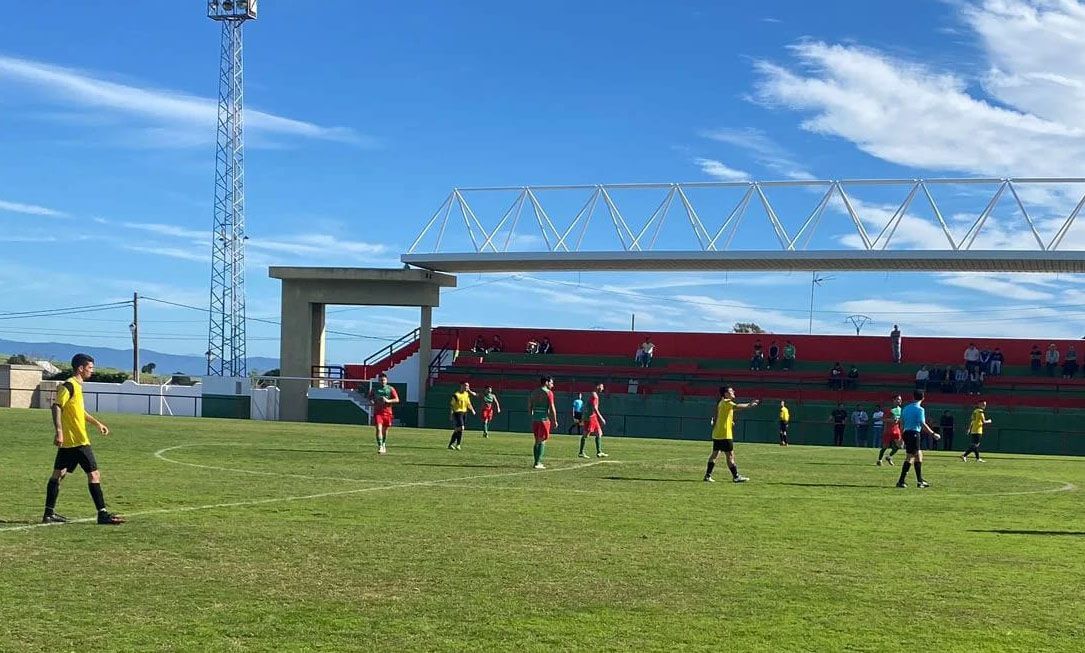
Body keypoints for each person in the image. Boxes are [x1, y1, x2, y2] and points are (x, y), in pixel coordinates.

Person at [42, 353, 125, 525]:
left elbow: (79, 412)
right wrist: (59, 431)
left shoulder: (78, 387)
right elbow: (56, 406)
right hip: (78, 441)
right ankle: (102, 514)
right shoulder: (69, 385)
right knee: (94, 474)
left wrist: (97, 423)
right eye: (90, 368)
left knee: (58, 474)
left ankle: (48, 514)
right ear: (80, 368)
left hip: (70, 443)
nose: (91, 371)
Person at [703, 385, 758, 483]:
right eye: (731, 391)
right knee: (730, 455)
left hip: (717, 434)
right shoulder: (727, 402)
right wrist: (749, 405)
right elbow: (737, 406)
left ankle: (707, 476)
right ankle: (736, 476)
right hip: (725, 434)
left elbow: (730, 411)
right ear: (726, 394)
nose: (733, 392)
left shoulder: (722, 403)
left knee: (715, 454)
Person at [895, 389, 939, 488]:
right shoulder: (920, 409)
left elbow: (901, 423)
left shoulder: (906, 408)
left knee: (918, 455)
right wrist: (933, 433)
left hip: (907, 433)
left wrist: (901, 437)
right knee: (910, 457)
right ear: (923, 398)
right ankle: (901, 481)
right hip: (914, 433)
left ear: (913, 397)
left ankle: (920, 481)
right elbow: (922, 424)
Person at [527, 376, 558, 469]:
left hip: (535, 419)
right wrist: (555, 420)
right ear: (546, 382)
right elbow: (552, 407)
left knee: (536, 441)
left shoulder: (534, 392)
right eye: (551, 383)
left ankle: (536, 462)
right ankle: (538, 462)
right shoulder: (549, 393)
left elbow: (529, 406)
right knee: (542, 441)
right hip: (544, 419)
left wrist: (532, 414)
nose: (552, 385)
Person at [368, 372, 399, 454]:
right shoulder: (374, 389)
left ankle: (384, 443)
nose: (382, 381)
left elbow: (397, 399)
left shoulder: (390, 389)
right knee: (378, 428)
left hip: (387, 412)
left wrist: (388, 400)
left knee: (385, 430)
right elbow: (370, 398)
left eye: (384, 380)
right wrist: (372, 402)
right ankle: (380, 446)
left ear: (386, 380)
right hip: (378, 412)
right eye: (381, 380)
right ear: (378, 380)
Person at [578, 382, 609, 459]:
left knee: (599, 433)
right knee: (586, 434)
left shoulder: (594, 395)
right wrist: (601, 418)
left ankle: (599, 452)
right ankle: (581, 452)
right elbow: (595, 408)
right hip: (590, 417)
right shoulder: (594, 396)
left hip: (593, 417)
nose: (603, 388)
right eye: (602, 386)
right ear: (598, 386)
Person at [448, 381, 476, 450]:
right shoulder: (456, 395)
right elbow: (452, 405)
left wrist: (472, 410)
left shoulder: (466, 394)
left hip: (464, 413)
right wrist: (451, 414)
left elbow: (468, 403)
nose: (467, 387)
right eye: (466, 386)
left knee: (459, 429)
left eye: (468, 386)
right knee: (461, 427)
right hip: (457, 412)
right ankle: (455, 444)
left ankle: (455, 445)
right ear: (462, 386)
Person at [876, 395, 904, 466]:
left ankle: (889, 456)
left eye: (900, 399)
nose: (900, 401)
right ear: (894, 400)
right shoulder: (889, 409)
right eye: (898, 399)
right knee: (885, 447)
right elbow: (883, 419)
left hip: (896, 430)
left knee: (900, 446)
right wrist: (891, 420)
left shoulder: (900, 409)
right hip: (888, 430)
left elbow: (900, 420)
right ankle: (879, 460)